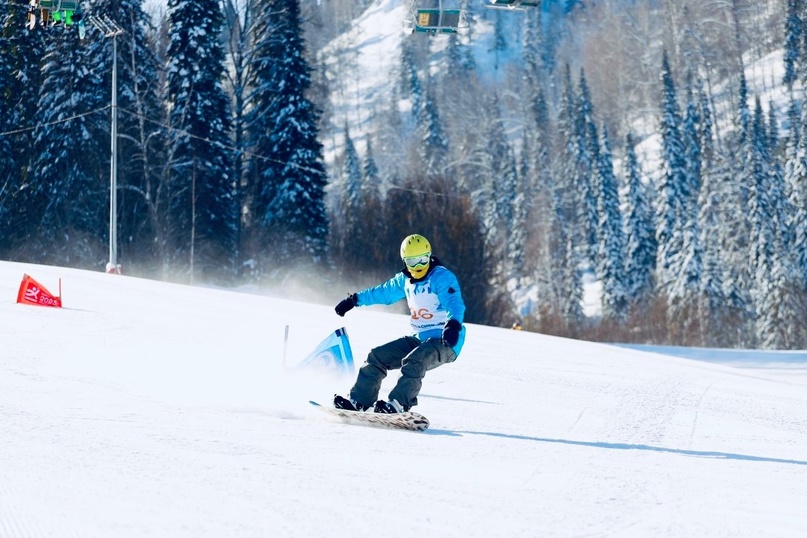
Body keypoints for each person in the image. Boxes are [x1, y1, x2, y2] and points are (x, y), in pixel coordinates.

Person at [333, 234, 466, 414]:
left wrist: (453, 325)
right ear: (405, 262)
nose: (418, 266)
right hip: (419, 339)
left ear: (429, 256)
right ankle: (359, 401)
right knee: (376, 357)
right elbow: (382, 293)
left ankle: (399, 404)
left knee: (415, 360)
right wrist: (354, 300)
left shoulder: (441, 277)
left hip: (446, 340)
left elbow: (454, 303)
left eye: (422, 260)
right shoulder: (404, 280)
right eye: (412, 262)